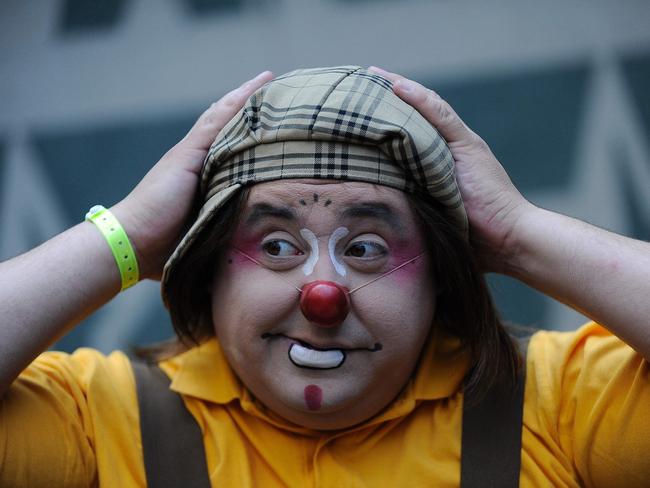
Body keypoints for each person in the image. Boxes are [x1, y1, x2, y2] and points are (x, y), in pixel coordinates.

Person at [0, 66, 648, 487]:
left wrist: (517, 235)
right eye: (276, 245)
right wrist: (128, 237)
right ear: (209, 269)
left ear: (439, 280)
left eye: (367, 248)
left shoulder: (559, 405)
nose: (322, 296)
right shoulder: (102, 421)